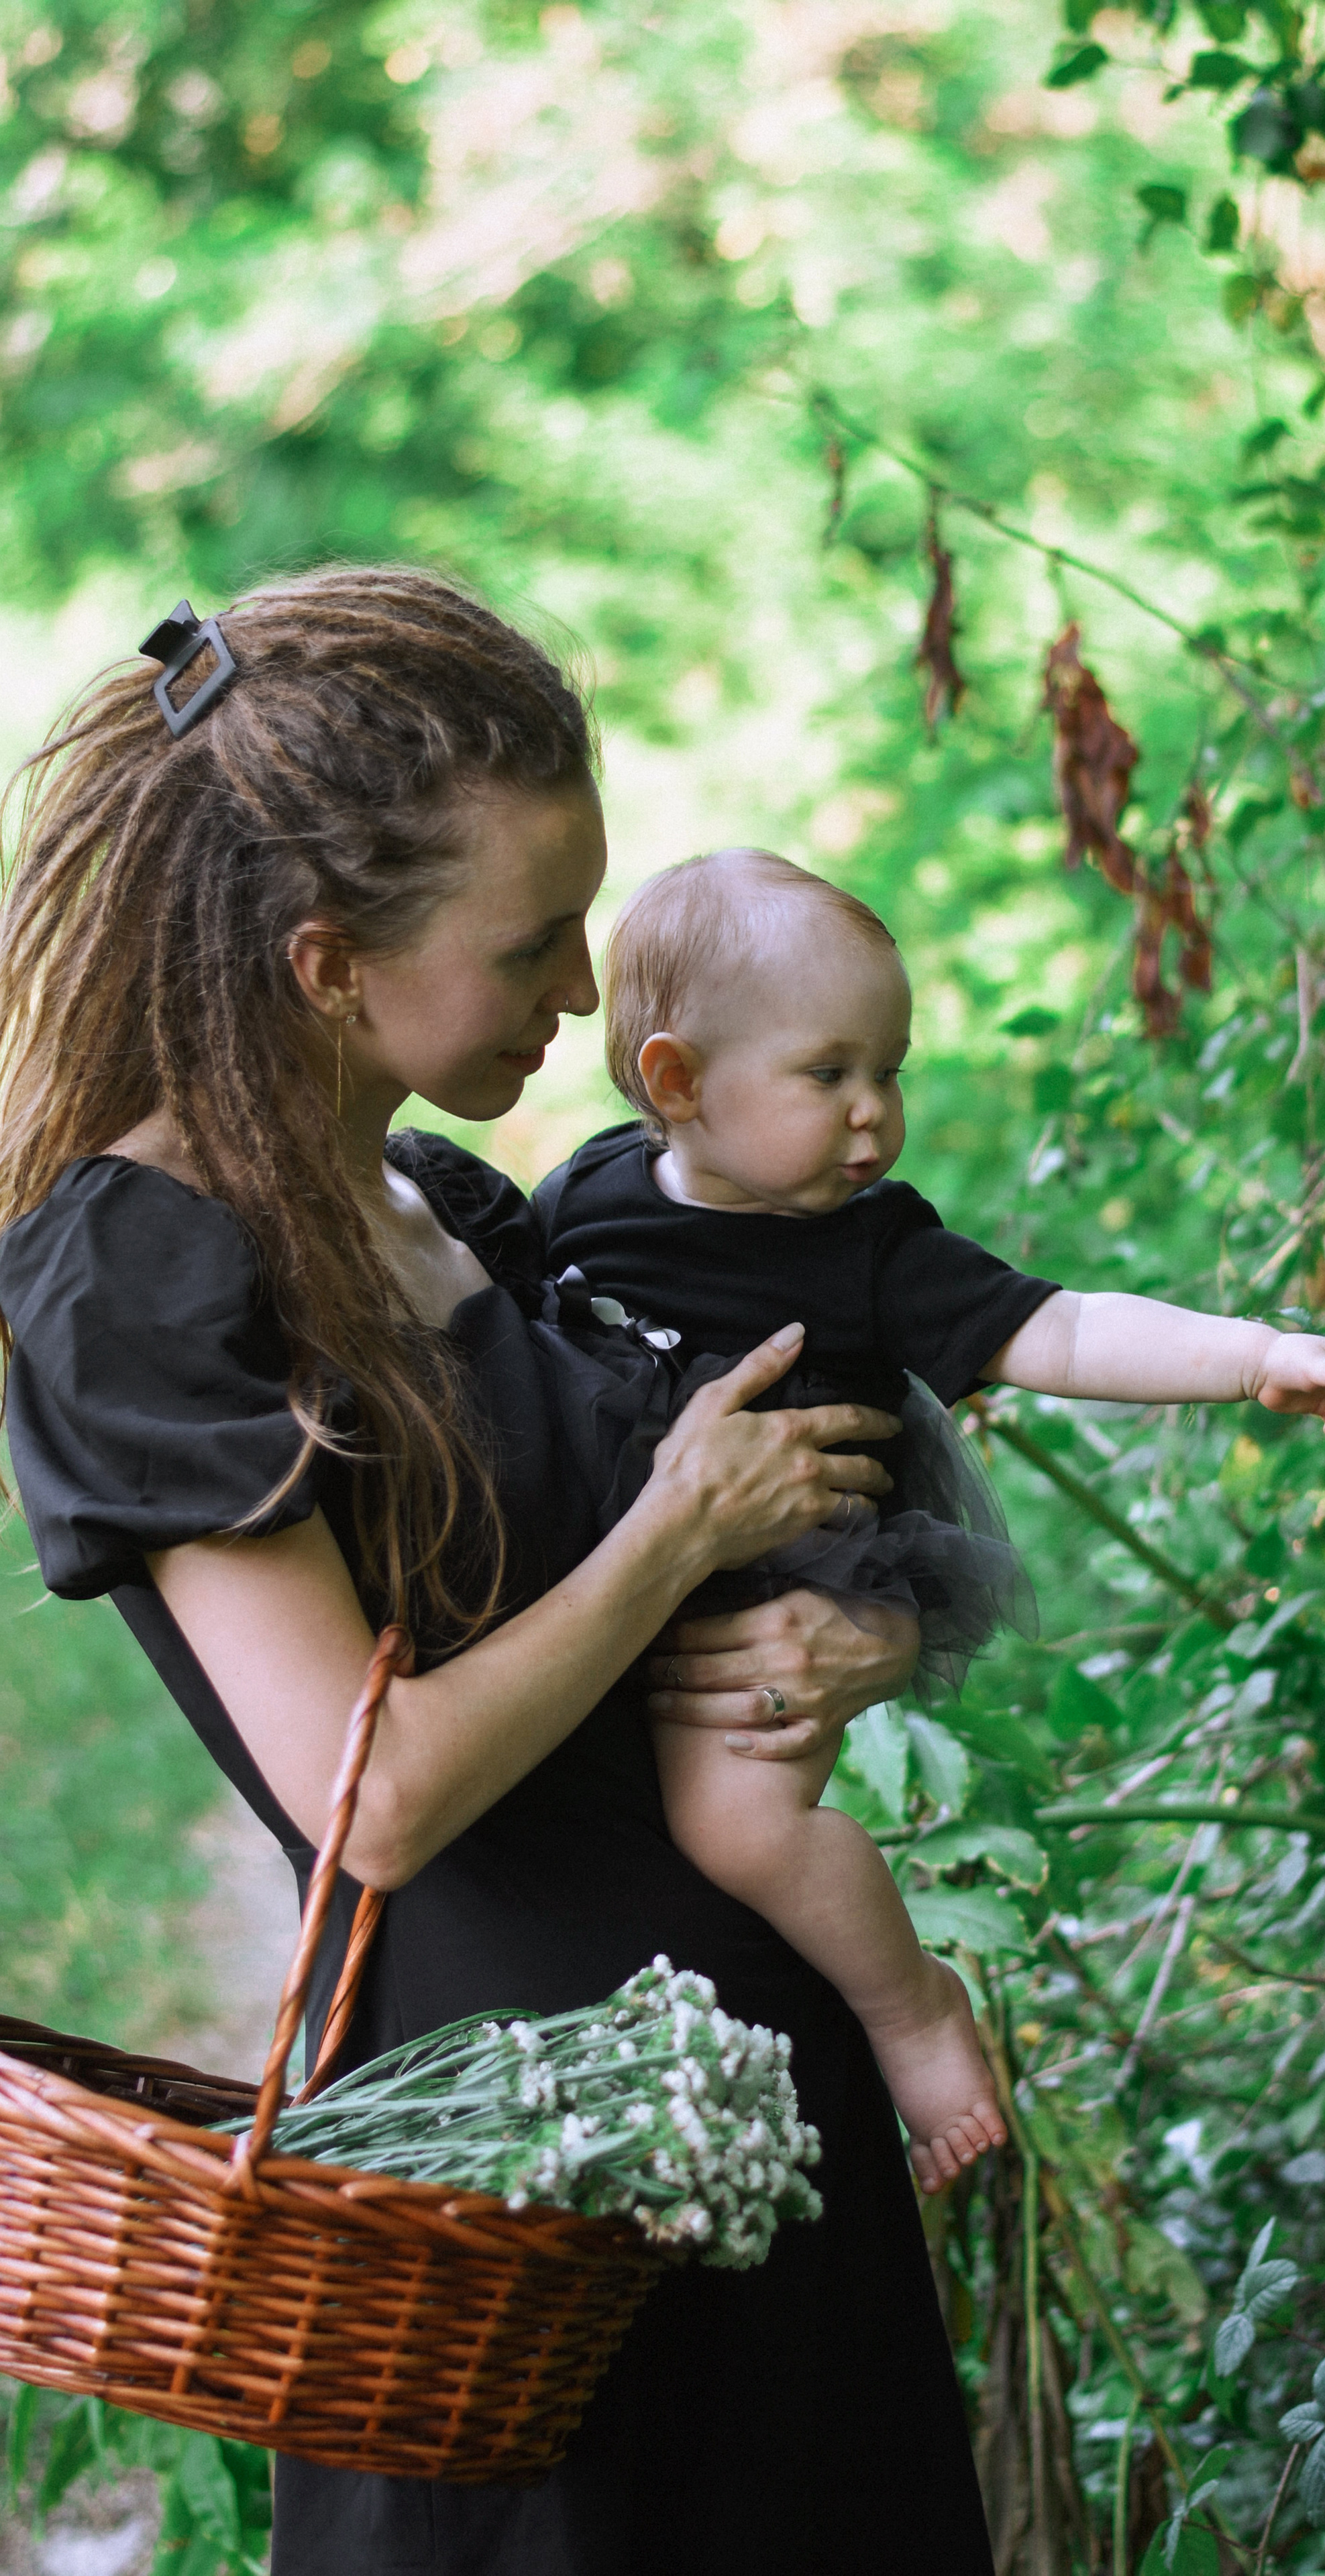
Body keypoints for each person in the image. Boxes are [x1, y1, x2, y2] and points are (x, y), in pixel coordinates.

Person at [0, 574, 996, 2576]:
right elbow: (373, 1794)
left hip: (747, 2116)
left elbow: (762, 1535)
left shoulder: (446, 1198)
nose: (582, 998)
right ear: (326, 962)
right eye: (535, 945)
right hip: (507, 2189)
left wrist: (846, 1632)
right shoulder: (146, 1274)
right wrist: (675, 1536)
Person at [535, 847, 1325, 2194]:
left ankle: (913, 2013)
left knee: (736, 1824)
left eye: (887, 1070)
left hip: (802, 1570)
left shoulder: (867, 1247)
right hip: (658, 1555)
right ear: (677, 1086)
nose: (873, 1117)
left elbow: (1058, 1327)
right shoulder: (591, 1198)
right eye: (828, 1075)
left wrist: (1256, 1356)